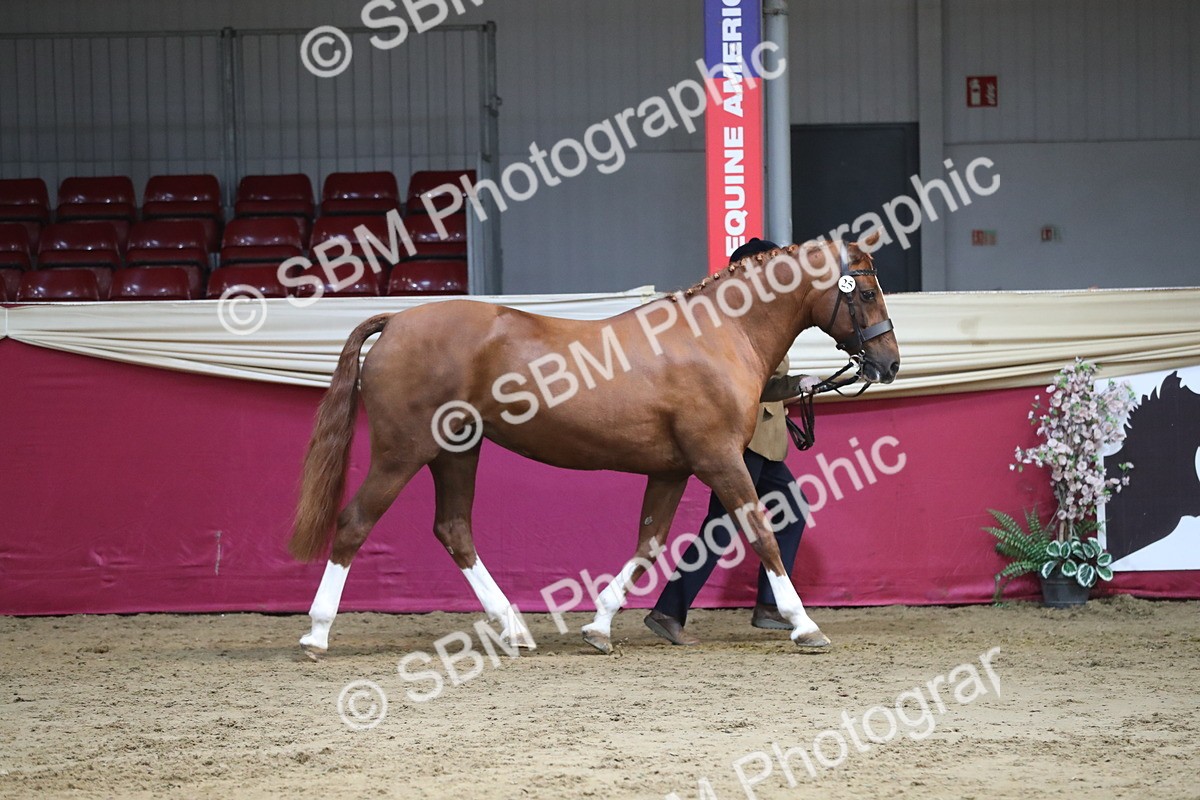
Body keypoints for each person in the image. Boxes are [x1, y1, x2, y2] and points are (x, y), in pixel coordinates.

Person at [644, 237, 811, 646]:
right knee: (723, 526)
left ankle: (768, 605)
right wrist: (793, 383)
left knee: (791, 511)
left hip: (765, 442)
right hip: (742, 441)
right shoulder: (729, 322)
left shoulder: (762, 315)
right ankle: (669, 611)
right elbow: (745, 387)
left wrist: (801, 383)